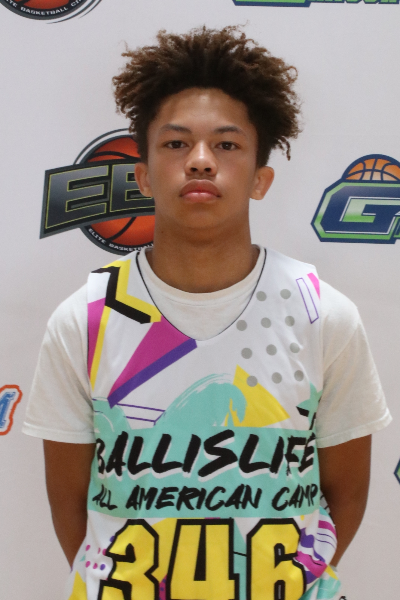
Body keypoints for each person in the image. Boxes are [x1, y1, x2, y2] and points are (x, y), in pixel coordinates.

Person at [23, 26, 391, 600]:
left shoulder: (322, 314)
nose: (199, 161)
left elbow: (345, 494)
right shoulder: (84, 320)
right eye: (176, 144)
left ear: (261, 179)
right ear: (143, 175)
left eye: (226, 145)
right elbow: (69, 505)